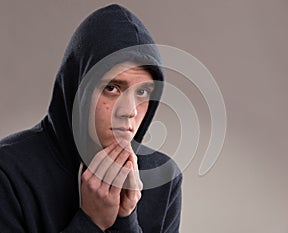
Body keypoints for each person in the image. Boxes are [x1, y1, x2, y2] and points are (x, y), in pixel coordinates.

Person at [0, 4, 182, 233]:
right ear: (77, 89)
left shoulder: (164, 177)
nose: (130, 111)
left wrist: (125, 220)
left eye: (143, 92)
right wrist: (90, 222)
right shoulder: (8, 172)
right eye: (113, 88)